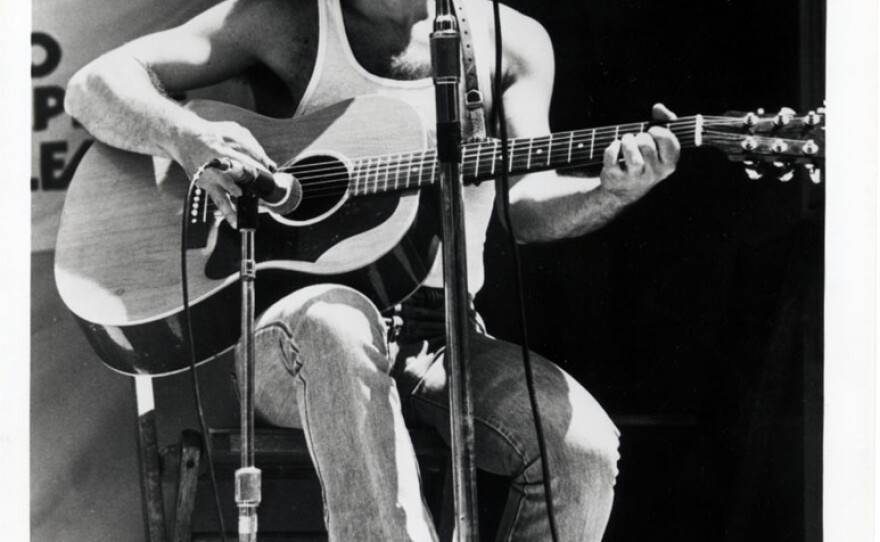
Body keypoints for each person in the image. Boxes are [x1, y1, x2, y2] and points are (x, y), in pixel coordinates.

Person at [65, 0, 680, 539]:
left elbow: (524, 207)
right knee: (337, 322)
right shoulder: (293, 19)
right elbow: (93, 86)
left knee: (580, 453)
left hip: (443, 336)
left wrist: (610, 191)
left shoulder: (509, 40)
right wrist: (185, 137)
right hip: (296, 334)